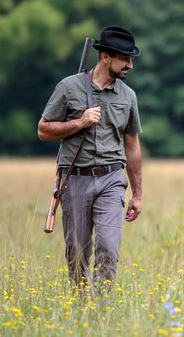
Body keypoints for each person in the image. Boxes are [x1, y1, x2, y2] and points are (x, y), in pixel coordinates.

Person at [37, 25, 143, 291]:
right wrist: (79, 122)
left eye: (130, 59)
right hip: (75, 179)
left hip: (111, 179)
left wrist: (138, 194)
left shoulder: (129, 97)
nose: (129, 64)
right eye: (124, 58)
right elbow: (43, 130)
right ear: (105, 56)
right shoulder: (68, 87)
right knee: (76, 252)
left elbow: (132, 146)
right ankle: (82, 304)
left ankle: (102, 306)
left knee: (108, 246)